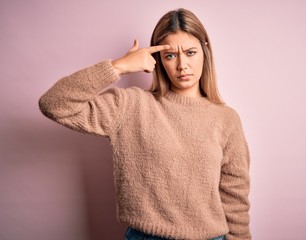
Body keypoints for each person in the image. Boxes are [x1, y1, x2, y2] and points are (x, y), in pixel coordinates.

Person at [39, 8, 251, 240]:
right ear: (157, 59)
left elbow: (234, 195)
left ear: (205, 52)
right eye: (170, 55)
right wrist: (118, 66)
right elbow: (54, 103)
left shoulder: (226, 119)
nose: (182, 65)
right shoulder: (130, 106)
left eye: (190, 52)